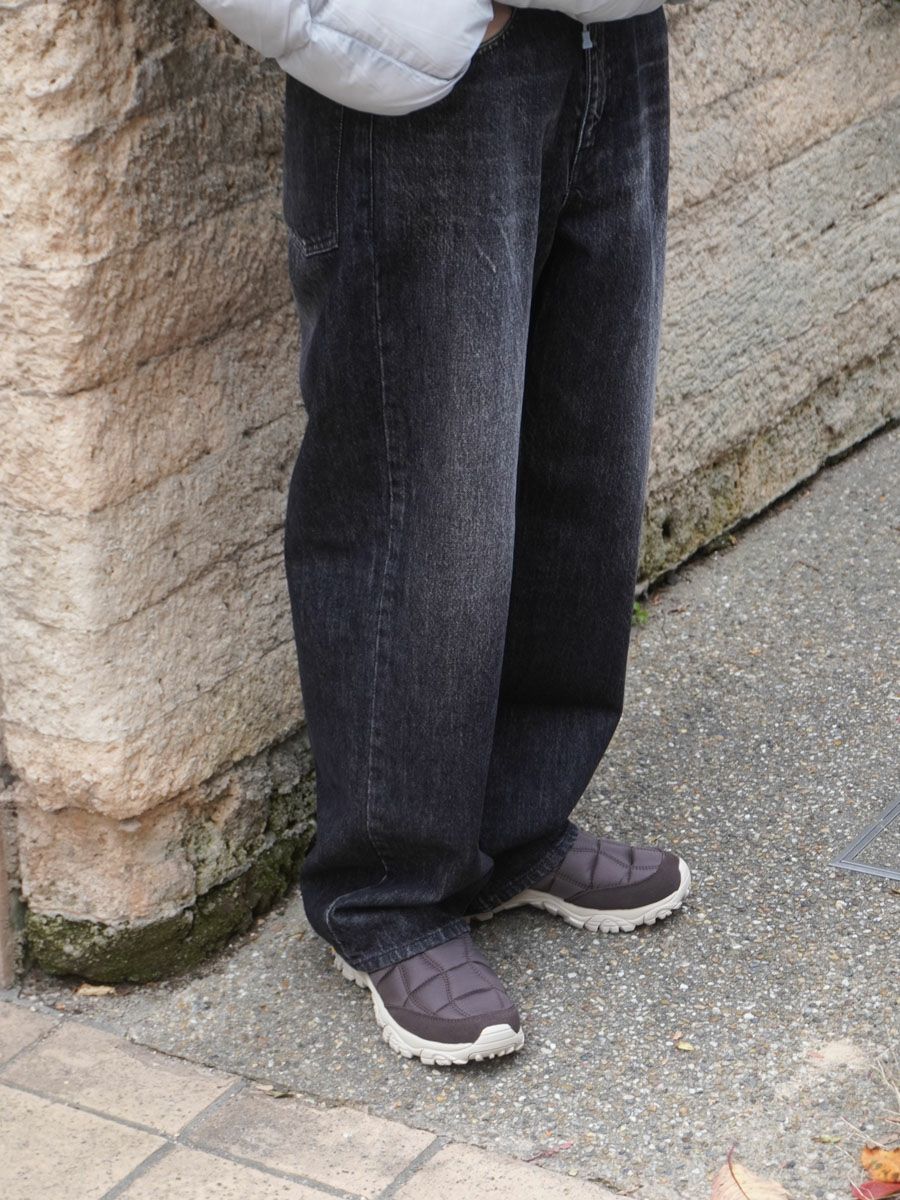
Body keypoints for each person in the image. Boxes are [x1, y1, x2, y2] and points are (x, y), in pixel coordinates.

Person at [195, 0, 692, 1066]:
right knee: (419, 488)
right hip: (428, 69)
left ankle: (517, 825)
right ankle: (387, 894)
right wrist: (405, 30)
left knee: (582, 458)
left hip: (610, 38)